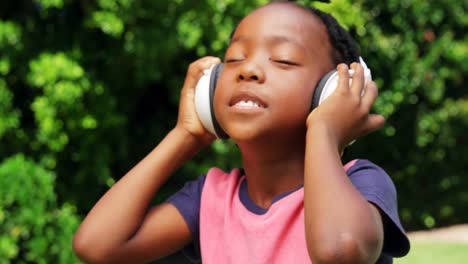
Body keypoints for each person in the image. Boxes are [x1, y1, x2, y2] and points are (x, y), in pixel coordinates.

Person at [73, 1, 410, 263]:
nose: (248, 69)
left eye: (284, 60)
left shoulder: (361, 182)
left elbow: (340, 250)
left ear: (332, 90)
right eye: (234, 58)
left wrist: (323, 130)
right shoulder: (210, 200)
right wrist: (186, 135)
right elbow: (97, 246)